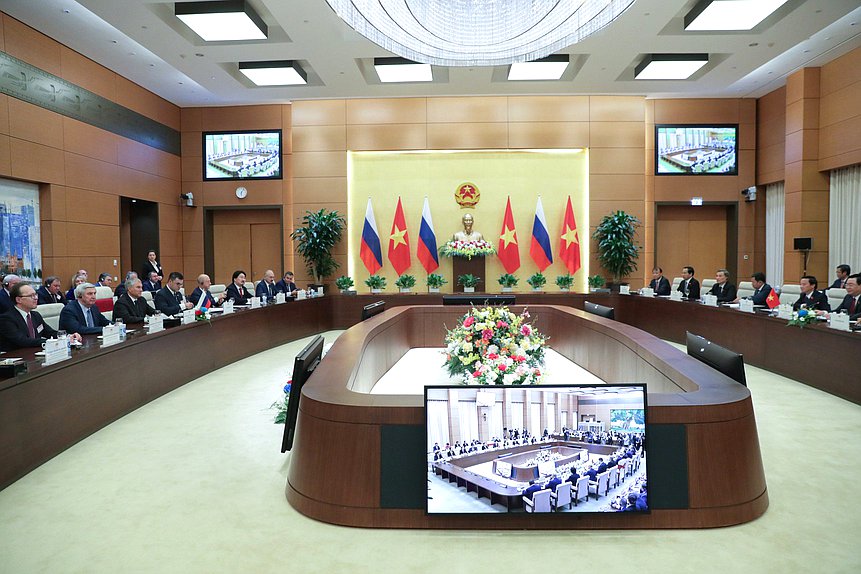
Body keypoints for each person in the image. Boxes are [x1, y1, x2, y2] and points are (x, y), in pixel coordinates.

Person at [0, 282, 81, 351]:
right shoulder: (7, 319)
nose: (36, 298)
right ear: (18, 300)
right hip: (16, 358)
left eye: (35, 295)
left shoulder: (35, 315)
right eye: (31, 296)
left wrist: (67, 336)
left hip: (35, 353)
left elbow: (50, 332)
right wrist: (49, 342)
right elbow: (22, 341)